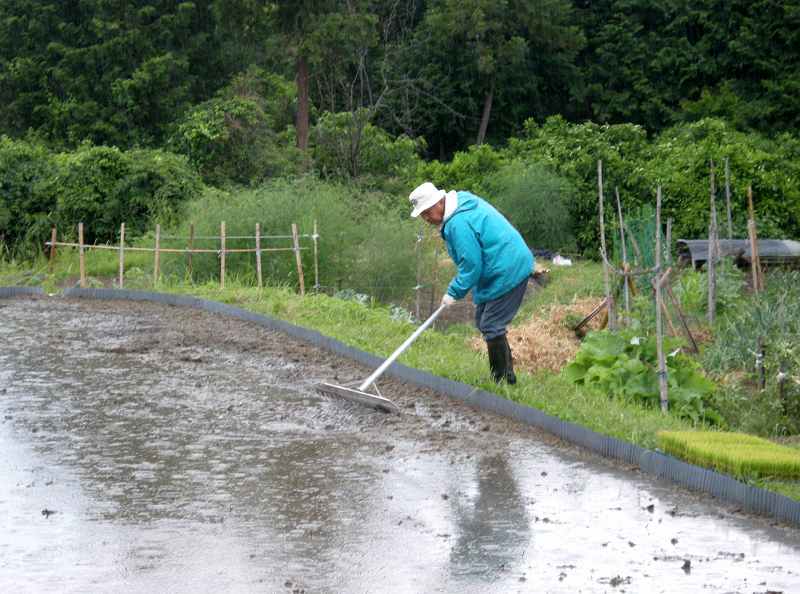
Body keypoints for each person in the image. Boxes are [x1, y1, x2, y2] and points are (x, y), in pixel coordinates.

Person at [409, 181, 533, 384]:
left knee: (491, 324)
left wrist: (453, 292)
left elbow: (472, 266)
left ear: (439, 203)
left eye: (426, 212)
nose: (426, 218)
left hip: (509, 267)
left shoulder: (458, 223)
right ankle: (505, 373)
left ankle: (503, 381)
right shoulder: (460, 204)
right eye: (422, 215)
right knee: (484, 319)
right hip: (499, 264)